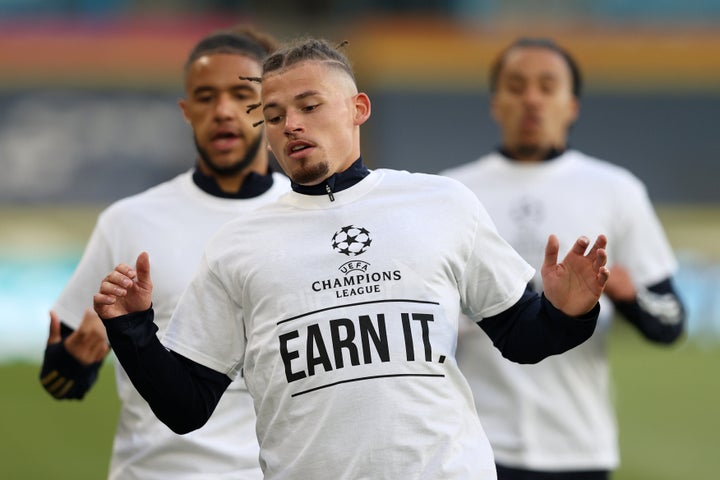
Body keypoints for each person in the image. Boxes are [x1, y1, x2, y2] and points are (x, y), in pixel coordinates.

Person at [92, 37, 612, 480]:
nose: (289, 124)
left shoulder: (442, 204)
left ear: (358, 108)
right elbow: (186, 407)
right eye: (273, 116)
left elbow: (523, 337)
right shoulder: (238, 244)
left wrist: (569, 311)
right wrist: (133, 328)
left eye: (308, 106)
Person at [39, 24, 290, 480]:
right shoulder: (130, 220)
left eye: (240, 94)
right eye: (206, 96)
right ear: (186, 109)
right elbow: (58, 378)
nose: (223, 110)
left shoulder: (307, 215)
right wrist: (76, 362)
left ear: (270, 105)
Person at [441, 37, 686, 480]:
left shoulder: (616, 190)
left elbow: (670, 322)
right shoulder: (449, 194)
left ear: (571, 105)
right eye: (516, 86)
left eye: (547, 86)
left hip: (577, 448)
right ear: (496, 104)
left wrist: (622, 291)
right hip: (472, 448)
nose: (531, 98)